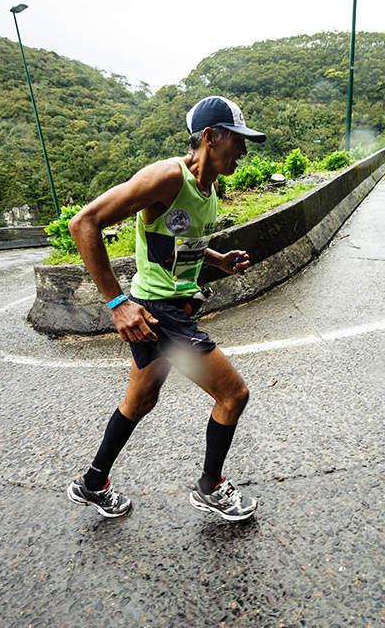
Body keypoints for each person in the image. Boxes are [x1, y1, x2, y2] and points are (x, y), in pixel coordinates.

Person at [65, 96, 266, 522]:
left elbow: (176, 241)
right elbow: (83, 224)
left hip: (165, 310)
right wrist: (118, 304)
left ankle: (92, 482)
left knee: (140, 401)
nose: (244, 150)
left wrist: (218, 261)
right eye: (238, 140)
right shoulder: (167, 176)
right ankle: (210, 488)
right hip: (160, 311)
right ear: (210, 137)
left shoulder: (209, 186)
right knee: (233, 395)